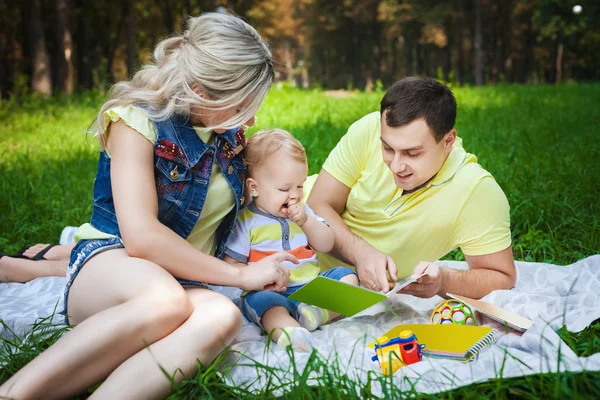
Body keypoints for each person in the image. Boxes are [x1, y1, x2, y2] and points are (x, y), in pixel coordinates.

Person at [0, 13, 294, 399]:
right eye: (241, 105)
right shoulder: (137, 122)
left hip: (184, 278)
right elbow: (141, 238)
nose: (251, 119)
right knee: (164, 301)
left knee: (222, 317)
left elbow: (265, 188)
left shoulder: (229, 135)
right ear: (202, 90)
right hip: (113, 263)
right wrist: (239, 277)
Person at [307, 76, 516, 299]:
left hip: (333, 288)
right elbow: (317, 203)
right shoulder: (370, 129)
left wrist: (443, 282)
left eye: (412, 153)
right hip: (280, 225)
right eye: (387, 148)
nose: (396, 166)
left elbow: (501, 276)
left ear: (448, 141)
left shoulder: (477, 192)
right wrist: (360, 253)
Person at [222, 130, 358, 352]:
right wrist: (256, 276)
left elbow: (326, 244)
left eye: (300, 186)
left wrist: (306, 221)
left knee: (348, 278)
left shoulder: (304, 213)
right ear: (254, 187)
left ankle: (315, 314)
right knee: (266, 307)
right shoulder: (246, 221)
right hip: (271, 292)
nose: (294, 195)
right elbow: (232, 265)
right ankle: (291, 333)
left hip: (313, 287)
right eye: (285, 189)